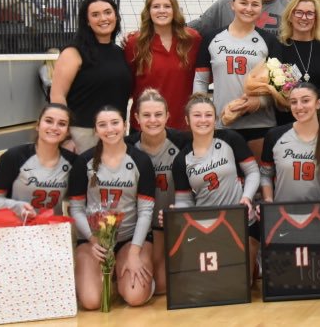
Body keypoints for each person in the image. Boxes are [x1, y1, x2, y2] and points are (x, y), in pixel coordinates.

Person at [68, 107, 157, 310]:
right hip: (94, 241)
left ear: (124, 126)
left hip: (129, 239)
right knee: (91, 302)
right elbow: (76, 209)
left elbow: (145, 212)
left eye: (115, 123)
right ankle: (100, 277)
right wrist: (93, 240)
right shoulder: (84, 162)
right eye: (102, 125)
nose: (110, 129)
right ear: (96, 130)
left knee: (135, 297)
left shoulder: (140, 161)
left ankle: (123, 272)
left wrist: (134, 253)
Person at [171, 93, 263, 276]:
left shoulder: (231, 139)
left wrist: (246, 197)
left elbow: (252, 172)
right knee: (216, 279)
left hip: (241, 220)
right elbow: (184, 201)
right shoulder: (182, 160)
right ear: (187, 120)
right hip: (207, 226)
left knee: (244, 278)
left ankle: (256, 261)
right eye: (197, 115)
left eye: (208, 115)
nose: (203, 120)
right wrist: (178, 212)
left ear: (215, 118)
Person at [194, 0, 281, 157]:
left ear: (261, 8)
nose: (249, 9)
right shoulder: (211, 38)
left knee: (259, 178)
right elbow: (200, 81)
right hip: (222, 123)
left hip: (260, 124)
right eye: (243, 3)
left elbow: (280, 87)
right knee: (226, 179)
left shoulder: (270, 41)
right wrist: (200, 113)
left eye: (255, 4)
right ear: (232, 5)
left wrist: (258, 103)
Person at [51, 0, 133, 152]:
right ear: (87, 21)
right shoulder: (73, 52)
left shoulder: (120, 52)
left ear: (115, 16)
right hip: (82, 134)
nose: (103, 18)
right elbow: (57, 96)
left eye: (108, 12)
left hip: (115, 133)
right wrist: (65, 136)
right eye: (95, 15)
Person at [127, 89, 189, 294]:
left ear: (168, 116)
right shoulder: (126, 146)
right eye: (146, 115)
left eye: (158, 114)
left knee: (163, 287)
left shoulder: (183, 142)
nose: (152, 120)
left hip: (169, 222)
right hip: (139, 226)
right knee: (147, 284)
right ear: (136, 118)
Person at [0, 104, 82, 217]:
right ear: (38, 125)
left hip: (53, 229)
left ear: (67, 132)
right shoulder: (13, 156)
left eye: (62, 124)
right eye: (48, 121)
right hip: (17, 228)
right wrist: (17, 206)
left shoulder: (73, 162)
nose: (54, 127)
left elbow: (76, 203)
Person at [125, 0, 200, 130]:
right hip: (145, 125)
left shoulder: (192, 39)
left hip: (182, 124)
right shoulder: (134, 43)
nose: (162, 10)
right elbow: (127, 85)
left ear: (175, 10)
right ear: (148, 11)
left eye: (167, 6)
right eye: (156, 6)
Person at [262, 84, 320, 203]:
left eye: (305, 100)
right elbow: (265, 175)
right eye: (294, 102)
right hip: (281, 215)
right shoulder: (274, 135)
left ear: (318, 104)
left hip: (319, 215)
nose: (299, 107)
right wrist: (268, 201)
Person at [272, 0, 320, 126]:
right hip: (286, 122)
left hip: (319, 122)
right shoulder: (278, 48)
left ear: (315, 18)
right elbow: (273, 89)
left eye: (310, 14)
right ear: (290, 16)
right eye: (299, 12)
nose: (304, 18)